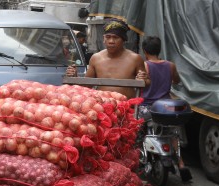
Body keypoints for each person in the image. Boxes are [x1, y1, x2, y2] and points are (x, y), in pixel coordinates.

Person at [66, 18, 150, 99]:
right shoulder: (96, 58)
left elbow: (147, 82)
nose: (111, 41)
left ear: (123, 40)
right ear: (104, 38)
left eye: (115, 37)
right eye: (108, 37)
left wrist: (143, 79)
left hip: (127, 108)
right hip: (101, 107)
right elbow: (87, 85)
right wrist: (74, 78)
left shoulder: (135, 59)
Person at [140, 36, 188, 173]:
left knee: (135, 130)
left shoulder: (145, 65)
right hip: (166, 109)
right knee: (172, 133)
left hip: (147, 108)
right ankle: (181, 163)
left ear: (144, 51)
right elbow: (177, 81)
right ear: (159, 49)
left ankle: (138, 155)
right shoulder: (170, 65)